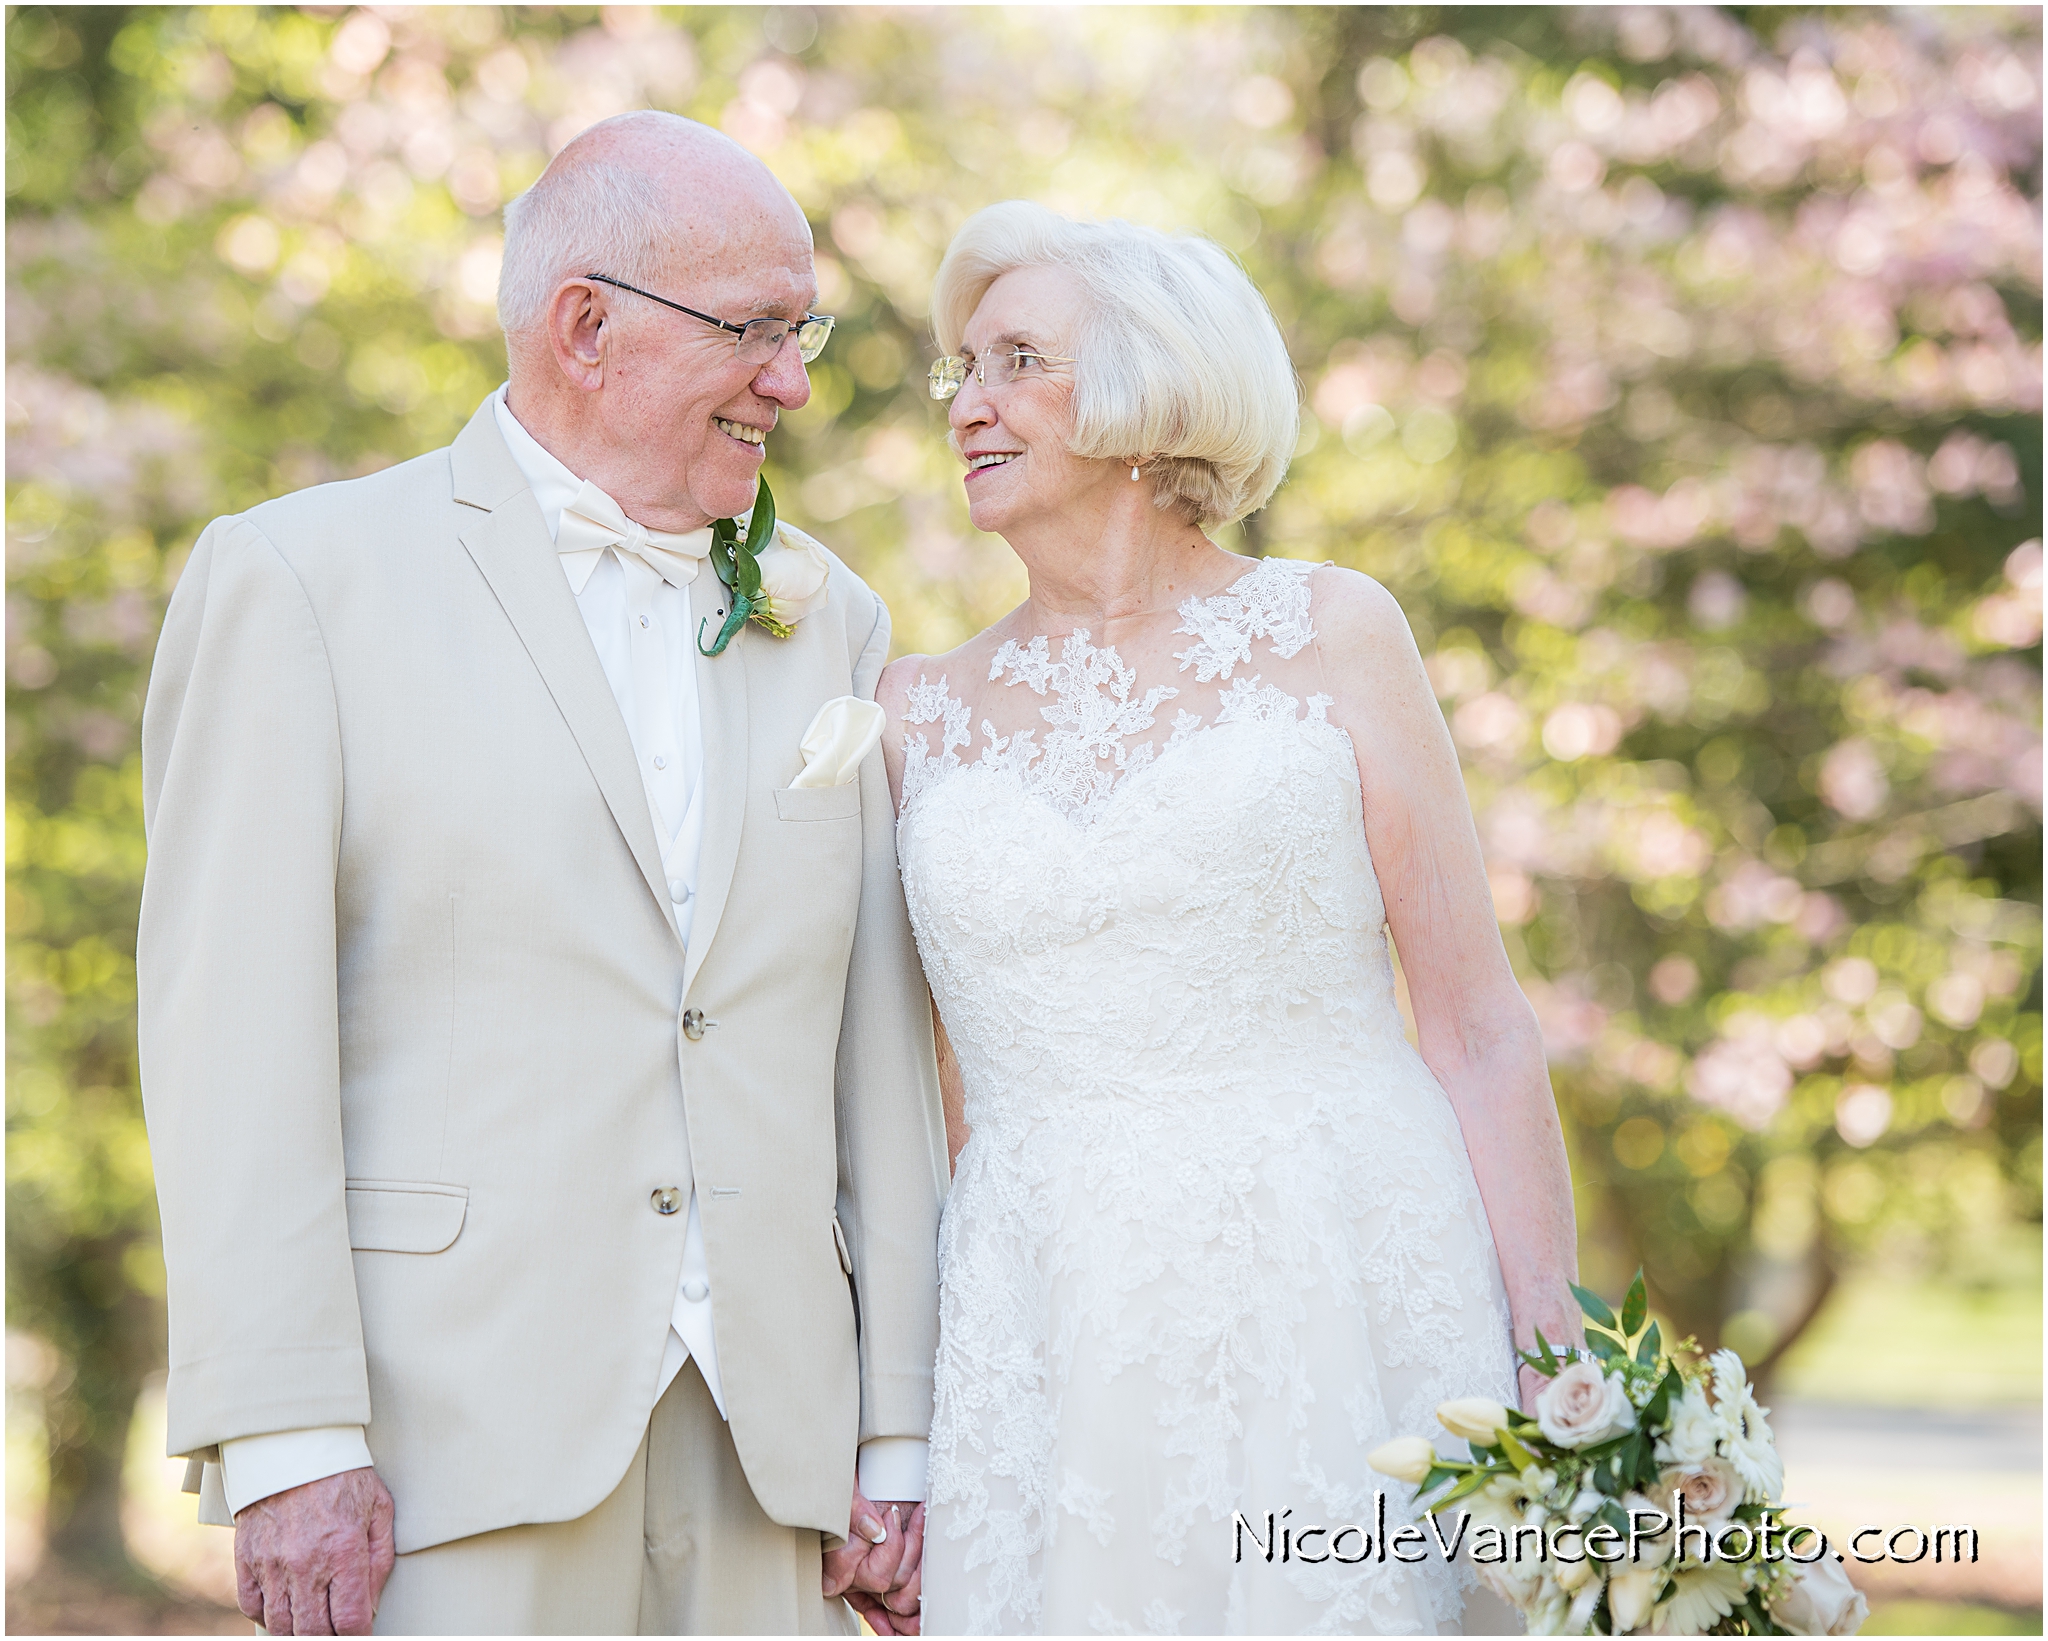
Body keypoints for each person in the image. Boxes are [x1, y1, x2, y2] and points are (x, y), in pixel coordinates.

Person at [137, 112, 940, 1636]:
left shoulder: (832, 616)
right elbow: (229, 1040)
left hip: (772, 1451)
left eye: (804, 330)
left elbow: (875, 1045)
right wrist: (294, 1437)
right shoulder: (300, 579)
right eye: (758, 330)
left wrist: (898, 1428)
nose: (796, 380)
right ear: (586, 325)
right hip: (444, 1442)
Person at [876, 201, 1580, 1635]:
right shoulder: (910, 711)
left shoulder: (1336, 631)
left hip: (1339, 1278)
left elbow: (1473, 1023)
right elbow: (915, 1100)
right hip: (1043, 1317)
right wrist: (901, 1432)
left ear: (1151, 387)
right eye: (963, 367)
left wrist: (1554, 1346)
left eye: (1018, 359)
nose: (970, 404)